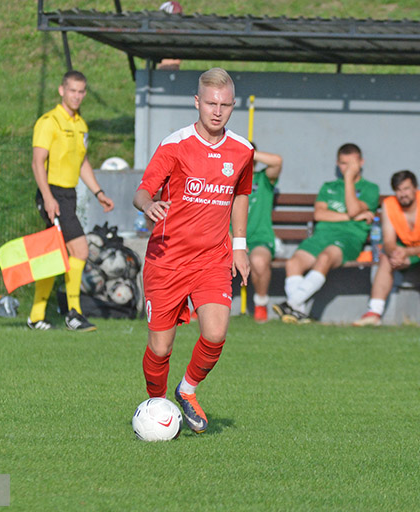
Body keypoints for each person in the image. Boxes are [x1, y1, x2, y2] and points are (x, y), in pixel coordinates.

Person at [133, 67, 253, 434]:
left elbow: (241, 194)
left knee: (216, 333)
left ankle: (186, 390)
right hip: (167, 260)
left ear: (233, 106)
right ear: (197, 102)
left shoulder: (243, 151)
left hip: (212, 259)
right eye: (211, 103)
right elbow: (143, 189)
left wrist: (240, 246)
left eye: (225, 105)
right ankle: (156, 405)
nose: (217, 111)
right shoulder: (175, 145)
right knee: (160, 347)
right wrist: (147, 205)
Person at [29, 70, 115, 331]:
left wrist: (99, 193)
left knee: (52, 256)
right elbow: (37, 162)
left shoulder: (81, 125)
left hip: (69, 194)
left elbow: (82, 162)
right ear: (61, 91)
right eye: (72, 90)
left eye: (81, 91)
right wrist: (47, 198)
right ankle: (73, 313)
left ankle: (36, 315)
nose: (77, 96)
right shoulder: (49, 122)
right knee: (80, 249)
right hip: (53, 193)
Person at [272, 143, 379, 323]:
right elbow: (319, 214)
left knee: (325, 258)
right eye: (344, 164)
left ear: (361, 162)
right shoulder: (328, 186)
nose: (348, 168)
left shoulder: (370, 188)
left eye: (352, 164)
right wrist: (352, 216)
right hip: (321, 236)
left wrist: (348, 181)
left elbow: (353, 209)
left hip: (348, 239)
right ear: (338, 164)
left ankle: (291, 303)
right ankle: (298, 312)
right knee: (293, 263)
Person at [353, 170, 420, 328]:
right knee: (386, 257)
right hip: (411, 248)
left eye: (406, 188)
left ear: (415, 188)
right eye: (398, 190)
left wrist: (407, 253)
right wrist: (395, 253)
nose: (403, 194)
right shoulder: (389, 205)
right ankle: (374, 313)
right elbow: (389, 241)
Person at [246, 145, 283, 322]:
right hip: (230, 238)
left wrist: (248, 152)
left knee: (258, 261)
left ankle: (261, 303)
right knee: (212, 260)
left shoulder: (263, 179)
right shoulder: (227, 179)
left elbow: (277, 162)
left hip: (261, 239)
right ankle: (203, 308)